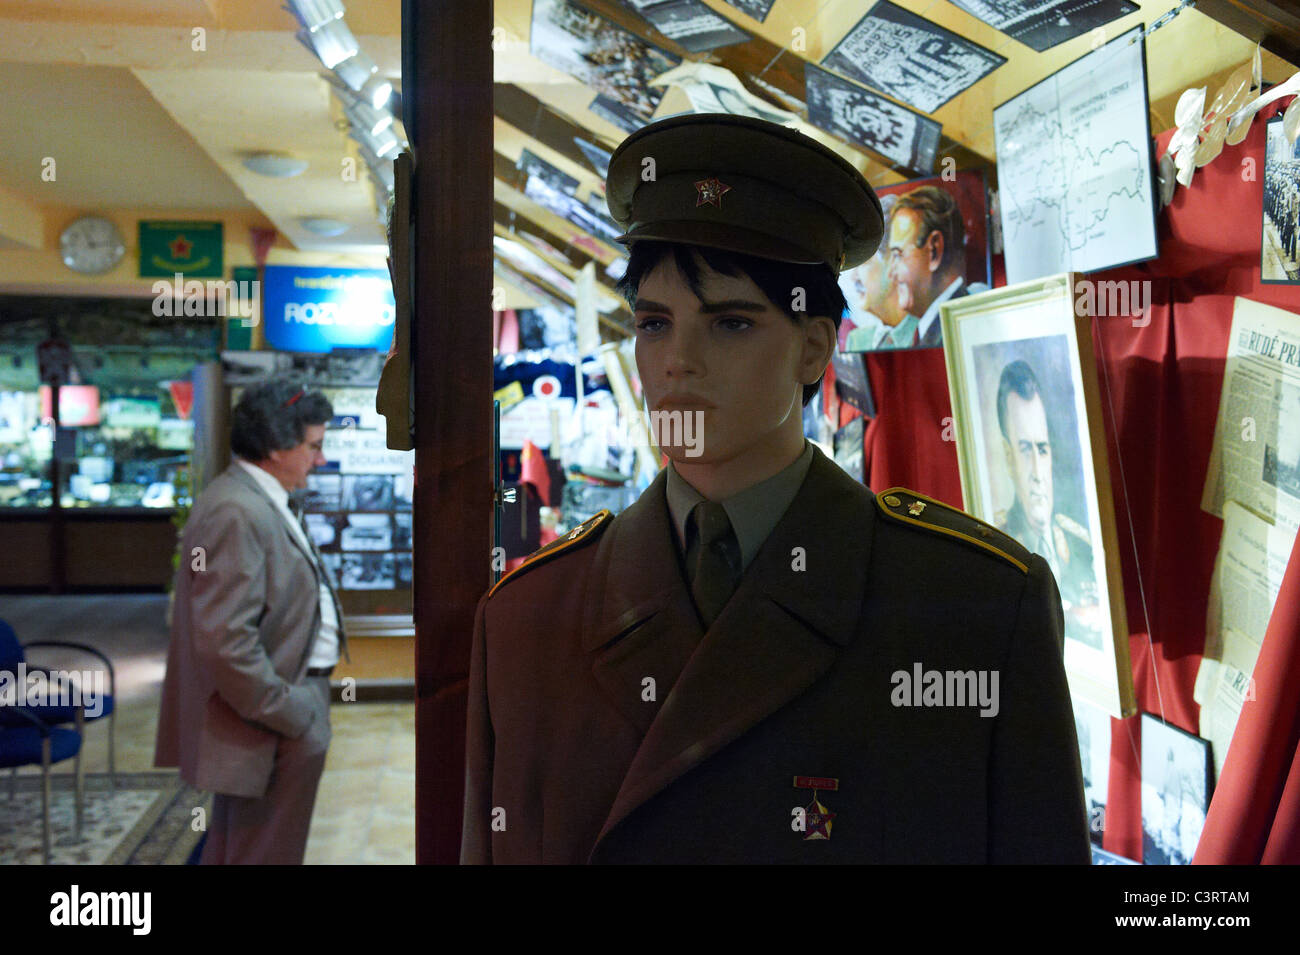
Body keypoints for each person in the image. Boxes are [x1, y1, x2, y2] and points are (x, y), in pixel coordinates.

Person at [460, 113, 1089, 864]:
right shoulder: (527, 623)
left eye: (729, 323)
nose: (676, 363)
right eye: (655, 323)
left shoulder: (973, 607)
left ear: (815, 346)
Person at [155, 380, 347, 864]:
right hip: (266, 722)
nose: (319, 460)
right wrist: (290, 711)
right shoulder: (236, 511)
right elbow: (223, 641)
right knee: (260, 852)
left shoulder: (253, 499)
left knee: (249, 848)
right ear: (276, 447)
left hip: (277, 712)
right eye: (313, 446)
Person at [994, 360, 1098, 647]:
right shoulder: (996, 549)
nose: (1038, 474)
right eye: (1025, 450)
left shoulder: (1084, 544)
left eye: (1042, 450)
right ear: (1008, 457)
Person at [884, 185, 987, 348]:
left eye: (898, 255)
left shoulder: (957, 331)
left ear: (934, 250)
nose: (891, 273)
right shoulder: (933, 329)